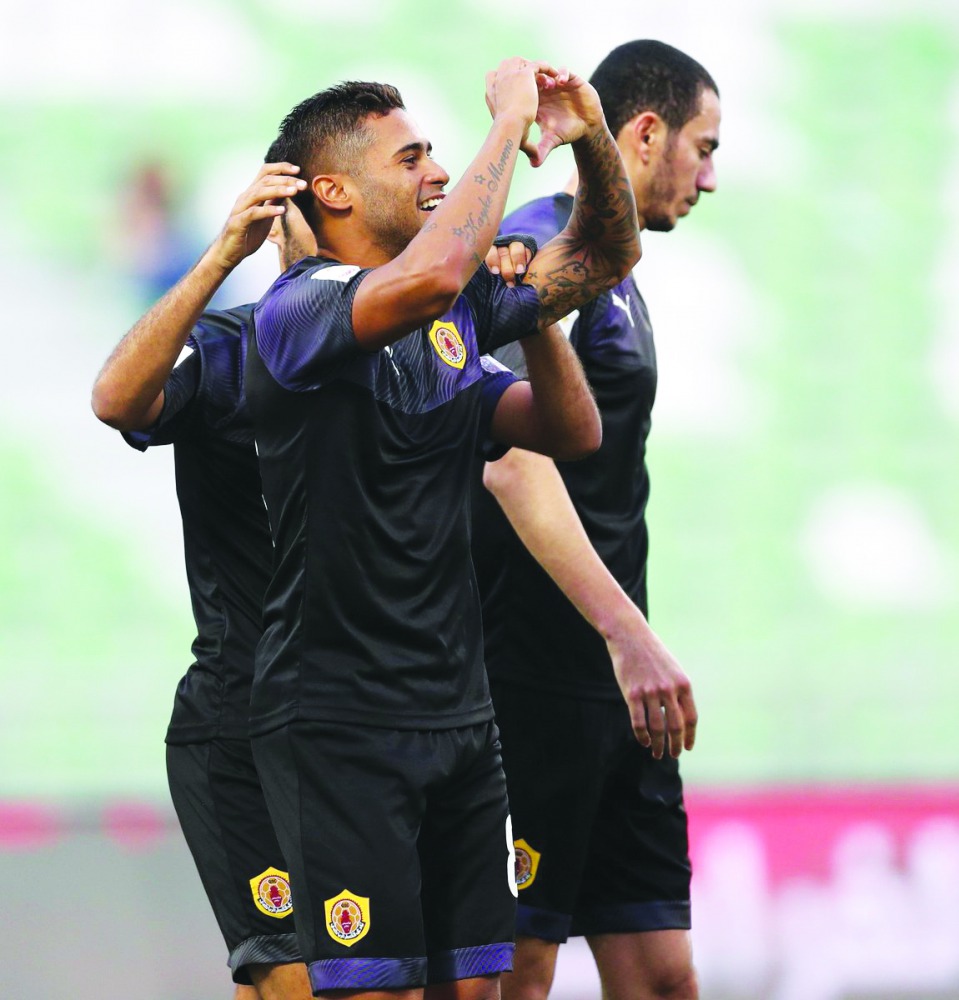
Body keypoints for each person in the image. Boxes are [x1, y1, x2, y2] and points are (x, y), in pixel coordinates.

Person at [91, 153, 544, 1000]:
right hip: (249, 720)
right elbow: (118, 397)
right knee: (305, 984)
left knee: (452, 984)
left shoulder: (418, 357)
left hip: (379, 717)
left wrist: (534, 301)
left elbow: (546, 437)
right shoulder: (235, 347)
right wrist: (219, 257)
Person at [244, 58, 641, 1000]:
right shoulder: (300, 306)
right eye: (410, 157)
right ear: (333, 191)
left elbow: (604, 261)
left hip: (460, 716)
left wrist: (588, 138)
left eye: (434, 152)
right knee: (379, 990)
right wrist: (506, 125)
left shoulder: (450, 311)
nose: (436, 171)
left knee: (475, 991)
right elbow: (429, 280)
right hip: (342, 720)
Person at [473, 40, 720, 1000]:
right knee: (518, 971)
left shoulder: (616, 266)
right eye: (703, 147)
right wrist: (629, 636)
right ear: (645, 132)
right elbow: (510, 464)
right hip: (534, 675)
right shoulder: (541, 248)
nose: (709, 177)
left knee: (660, 975)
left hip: (616, 689)